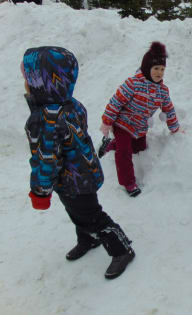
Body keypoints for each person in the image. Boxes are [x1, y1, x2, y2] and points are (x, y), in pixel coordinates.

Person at [22, 46, 135, 279]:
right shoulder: (70, 103)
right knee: (77, 212)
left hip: (75, 181)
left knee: (92, 216)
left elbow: (46, 160)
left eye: (28, 78)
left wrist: (40, 192)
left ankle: (122, 249)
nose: (25, 83)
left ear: (41, 83)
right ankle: (87, 239)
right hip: (82, 173)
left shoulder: (45, 120)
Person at [99, 41, 180, 197]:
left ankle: (111, 144)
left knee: (139, 148)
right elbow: (116, 101)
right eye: (156, 68)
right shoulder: (133, 83)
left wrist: (175, 128)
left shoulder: (162, 91)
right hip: (122, 123)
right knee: (124, 151)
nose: (159, 72)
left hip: (140, 127)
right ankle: (128, 182)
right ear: (147, 67)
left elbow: (169, 109)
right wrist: (107, 122)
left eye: (162, 69)